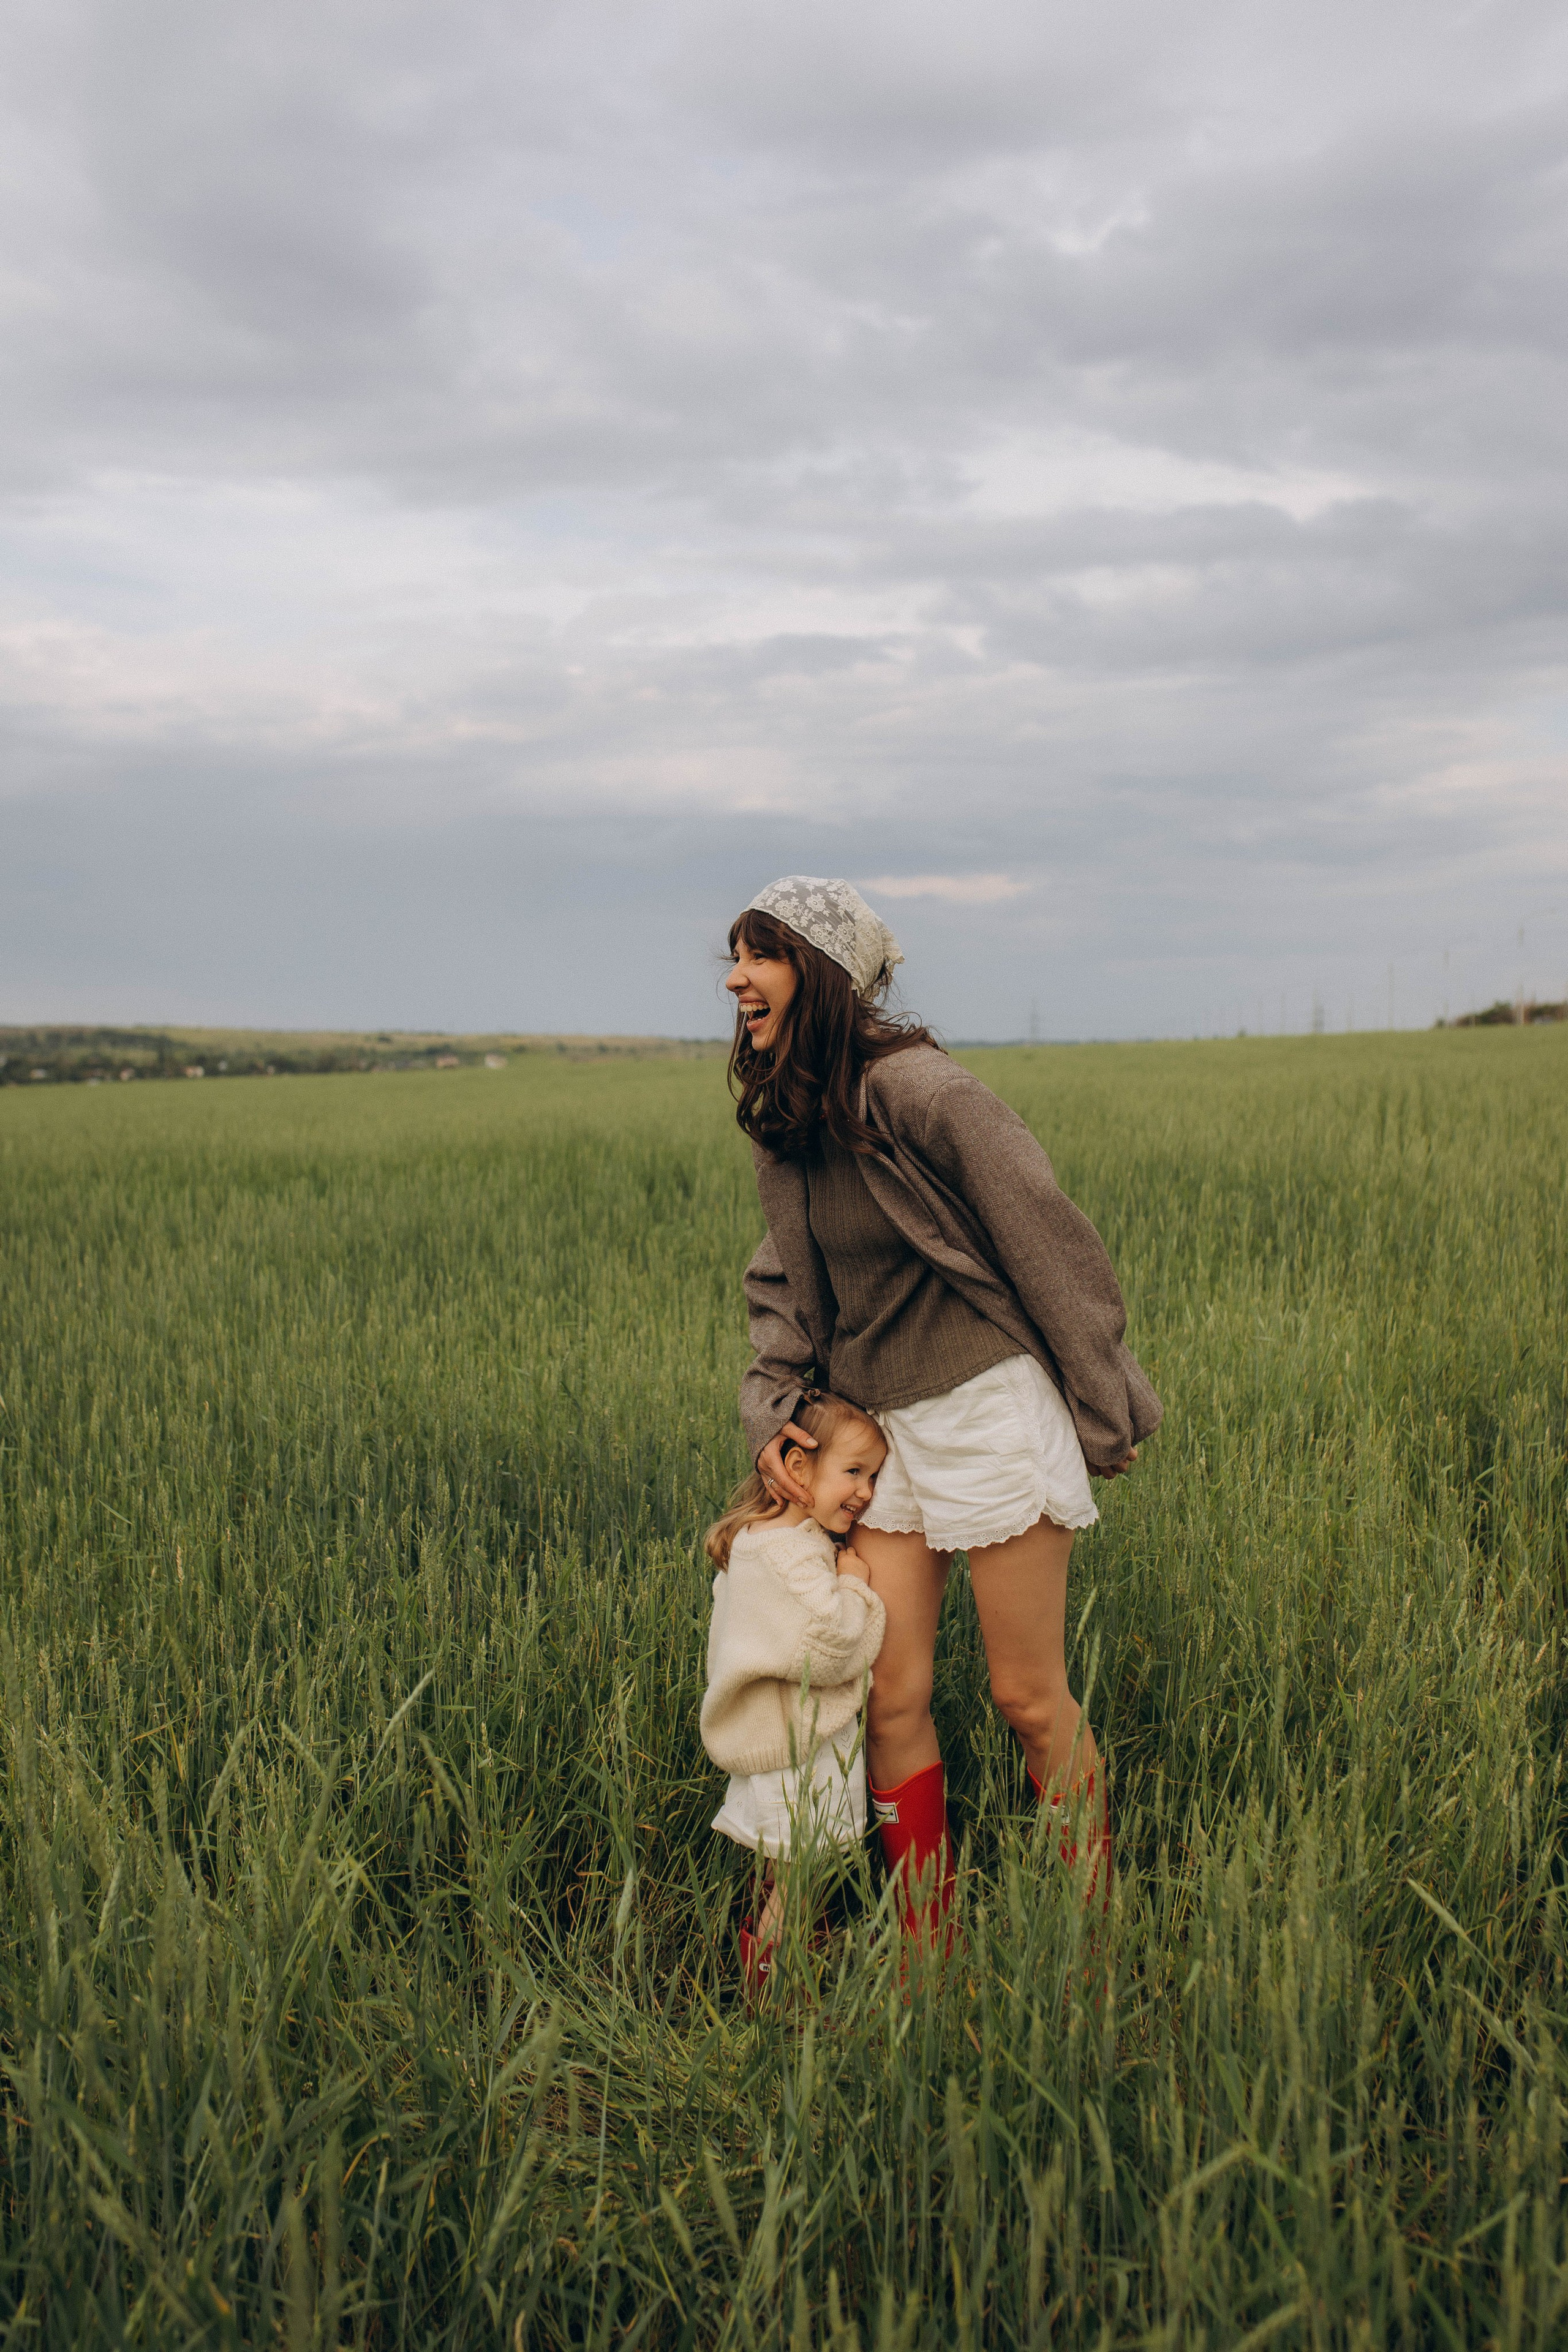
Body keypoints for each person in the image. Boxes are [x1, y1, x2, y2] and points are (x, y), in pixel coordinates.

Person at [725, 875, 1162, 1936]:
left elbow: (1045, 1235)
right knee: (892, 1700)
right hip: (879, 1435)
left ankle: (1091, 1940)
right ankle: (926, 1952)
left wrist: (1107, 1403)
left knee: (1027, 1698)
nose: (737, 979)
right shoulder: (791, 1120)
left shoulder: (922, 1093)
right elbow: (786, 1280)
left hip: (985, 1412)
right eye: (734, 959)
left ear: (822, 975)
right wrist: (779, 1413)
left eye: (762, 956)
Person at [701, 1387, 889, 1991]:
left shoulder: (756, 1542)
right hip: (799, 1753)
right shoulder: (794, 1559)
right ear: (799, 1467)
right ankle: (774, 1995)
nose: (866, 1492)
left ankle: (778, 1958)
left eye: (874, 1476)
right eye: (854, 1472)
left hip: (774, 1743)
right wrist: (856, 1586)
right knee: (799, 1880)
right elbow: (829, 1645)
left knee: (781, 1874)